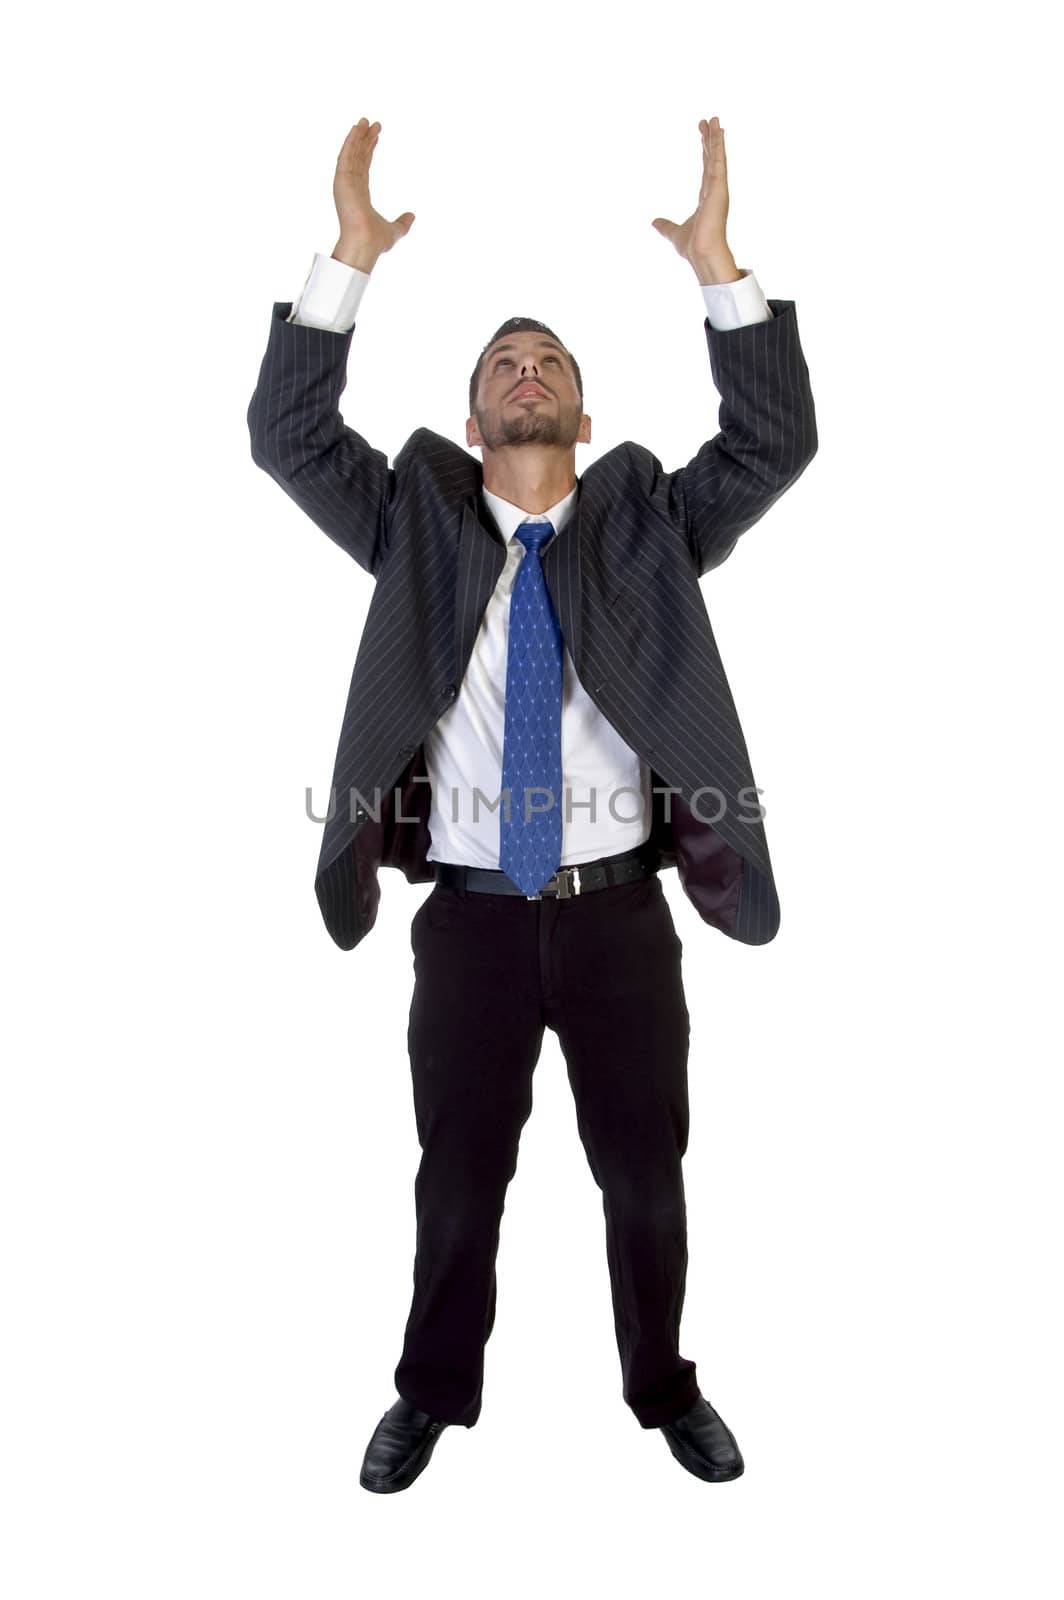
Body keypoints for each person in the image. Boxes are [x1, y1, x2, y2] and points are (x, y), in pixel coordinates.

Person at [247, 115, 817, 1492]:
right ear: (470, 420)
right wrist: (348, 262)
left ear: (582, 411)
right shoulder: (413, 522)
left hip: (620, 919)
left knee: (646, 1177)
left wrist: (720, 270)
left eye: (549, 360)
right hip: (473, 924)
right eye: (503, 364)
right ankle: (431, 1393)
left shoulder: (650, 522)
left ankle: (663, 1385)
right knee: (458, 1179)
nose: (526, 369)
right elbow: (285, 432)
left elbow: (775, 439)